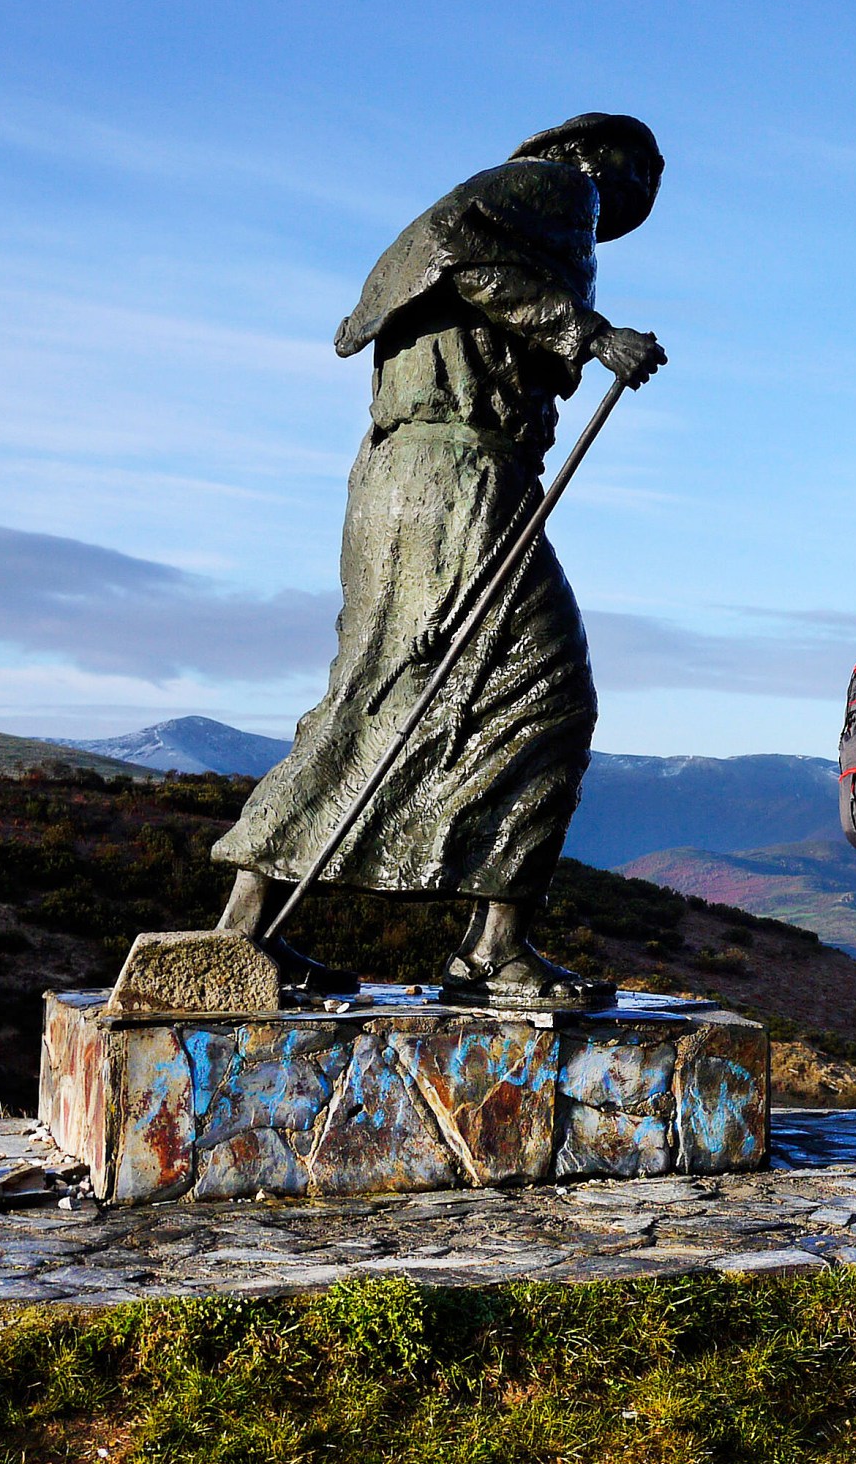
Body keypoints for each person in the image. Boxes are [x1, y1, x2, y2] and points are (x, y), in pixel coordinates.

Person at [210, 113, 666, 1008]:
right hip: (457, 474)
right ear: (597, 154)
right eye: (641, 169)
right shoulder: (556, 184)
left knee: (386, 690)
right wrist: (586, 331)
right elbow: (452, 248)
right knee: (548, 691)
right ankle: (491, 952)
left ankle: (245, 932)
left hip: (417, 477)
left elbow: (452, 264)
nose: (641, 192)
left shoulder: (531, 209)